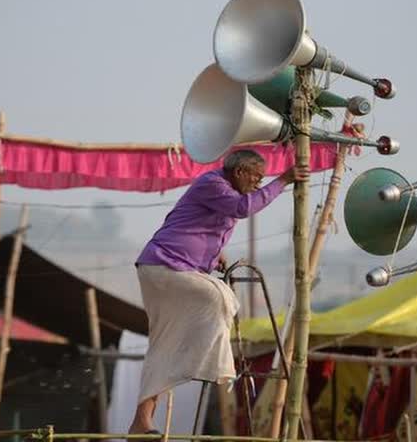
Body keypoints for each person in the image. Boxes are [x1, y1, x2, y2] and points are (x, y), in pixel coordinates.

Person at [129, 149, 309, 434]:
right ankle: (214, 364)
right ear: (239, 172)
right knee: (218, 297)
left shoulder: (221, 190)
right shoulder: (213, 184)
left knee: (164, 345)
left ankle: (141, 422)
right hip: (164, 266)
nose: (258, 184)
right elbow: (242, 208)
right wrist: (283, 179)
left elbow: (197, 225)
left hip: (170, 268)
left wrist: (215, 256)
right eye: (256, 178)